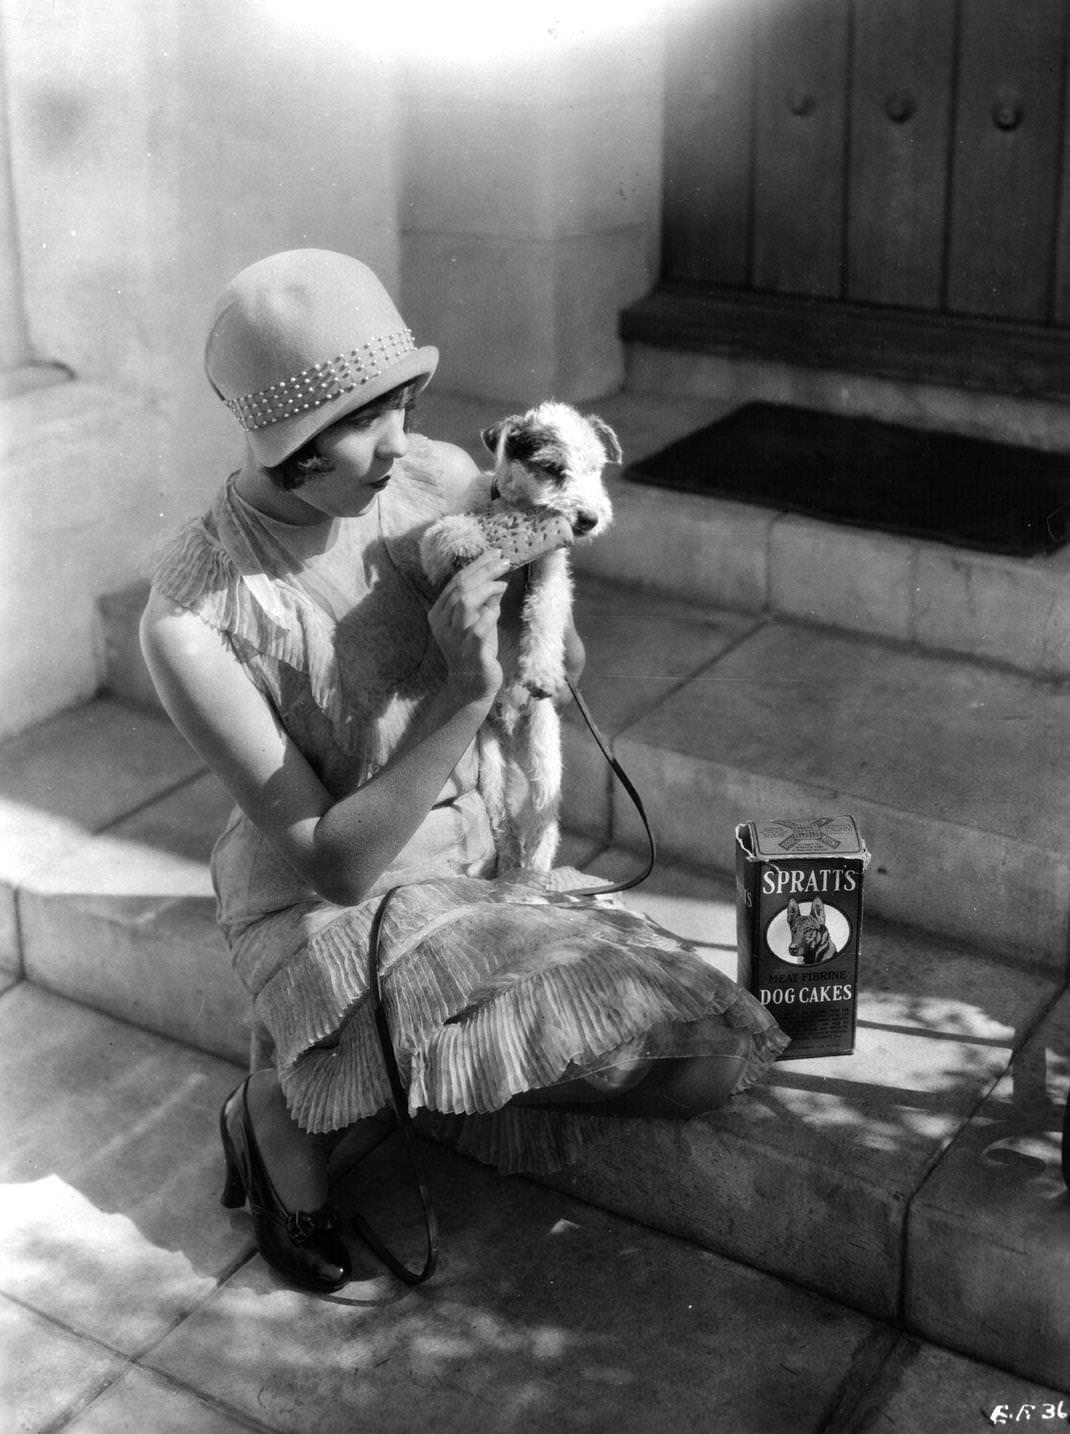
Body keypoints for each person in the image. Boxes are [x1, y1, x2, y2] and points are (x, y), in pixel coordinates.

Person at [140, 249, 788, 1294]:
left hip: (475, 860)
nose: (393, 443)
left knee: (704, 1055)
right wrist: (463, 693)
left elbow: (555, 664)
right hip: (330, 907)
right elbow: (333, 866)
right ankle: (282, 1112)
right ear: (277, 441)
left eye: (400, 401)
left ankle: (339, 1074)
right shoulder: (193, 616)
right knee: (642, 1055)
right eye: (354, 424)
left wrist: (534, 635)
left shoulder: (437, 475)